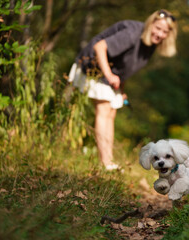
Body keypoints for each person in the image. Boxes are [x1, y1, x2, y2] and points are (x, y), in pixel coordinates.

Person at [68, 9, 178, 170]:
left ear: (169, 35)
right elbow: (99, 47)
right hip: (93, 67)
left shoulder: (151, 44)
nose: (160, 34)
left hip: (109, 75)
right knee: (104, 109)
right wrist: (109, 75)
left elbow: (125, 66)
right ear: (150, 24)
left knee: (111, 112)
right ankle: (105, 163)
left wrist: (121, 88)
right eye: (158, 28)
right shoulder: (133, 33)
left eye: (164, 31)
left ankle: (108, 161)